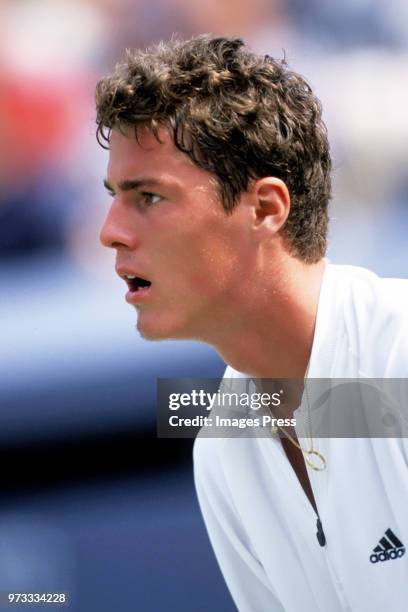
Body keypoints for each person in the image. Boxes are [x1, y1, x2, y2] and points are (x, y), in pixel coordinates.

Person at [95, 35, 408, 612]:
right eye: (115, 195)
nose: (110, 231)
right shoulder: (221, 447)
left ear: (265, 208)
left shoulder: (401, 353)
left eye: (150, 197)